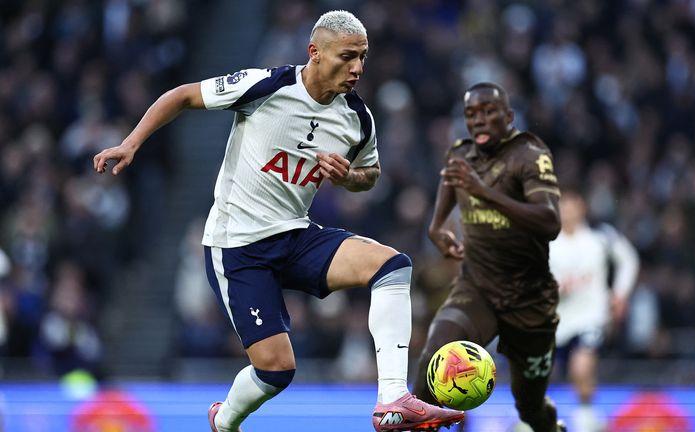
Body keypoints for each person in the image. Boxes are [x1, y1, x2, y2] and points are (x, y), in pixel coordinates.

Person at [93, 10, 463, 432]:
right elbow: (182, 96)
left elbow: (371, 174)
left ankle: (393, 399)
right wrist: (131, 143)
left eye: (362, 56)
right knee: (276, 371)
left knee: (392, 265)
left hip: (294, 234)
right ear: (315, 52)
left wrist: (349, 177)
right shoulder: (267, 86)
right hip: (238, 245)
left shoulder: (357, 118)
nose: (358, 68)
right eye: (347, 56)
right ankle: (224, 421)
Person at [412, 82, 566, 432]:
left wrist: (483, 192)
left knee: (530, 408)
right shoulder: (461, 154)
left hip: (529, 299)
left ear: (509, 116)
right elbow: (452, 179)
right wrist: (436, 227)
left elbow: (550, 221)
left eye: (488, 112)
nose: (479, 121)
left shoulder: (530, 155)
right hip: (477, 288)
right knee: (432, 364)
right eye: (471, 114)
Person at [549, 189, 639, 432]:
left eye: (571, 205)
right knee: (548, 375)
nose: (567, 211)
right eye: (562, 206)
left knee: (581, 367)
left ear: (582, 207)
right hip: (557, 322)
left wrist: (620, 293)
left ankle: (586, 418)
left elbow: (629, 259)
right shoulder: (547, 241)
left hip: (591, 317)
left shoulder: (601, 236)